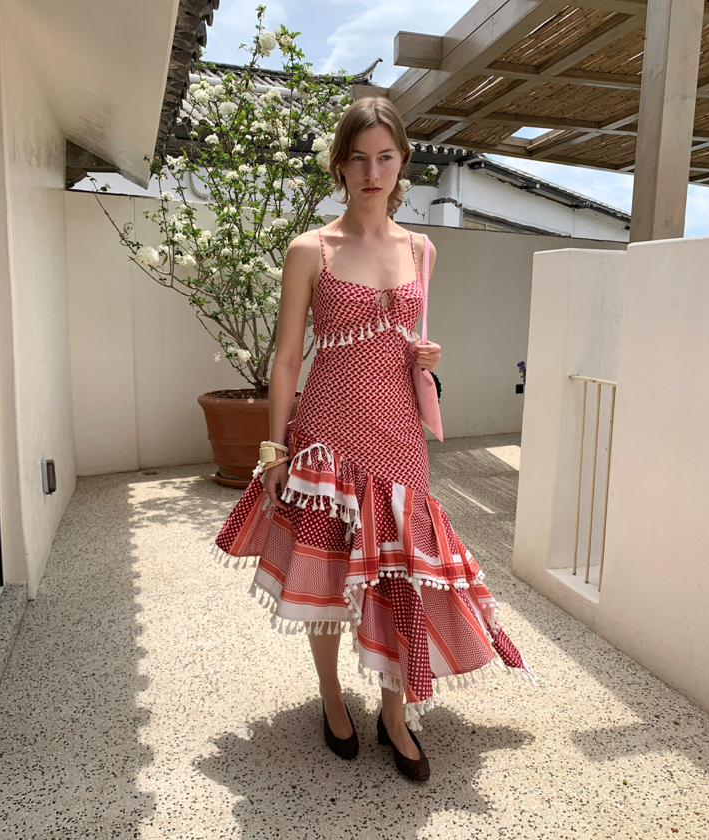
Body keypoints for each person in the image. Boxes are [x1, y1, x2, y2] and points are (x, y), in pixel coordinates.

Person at [210, 96, 535, 782]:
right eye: (358, 158)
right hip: (327, 432)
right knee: (329, 572)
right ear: (340, 165)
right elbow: (287, 359)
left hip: (399, 435)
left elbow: (410, 335)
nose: (371, 171)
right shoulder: (311, 250)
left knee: (401, 573)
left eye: (385, 157)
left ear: (403, 163)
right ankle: (333, 697)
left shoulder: (422, 248)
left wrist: (427, 355)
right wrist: (275, 449)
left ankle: (394, 712)